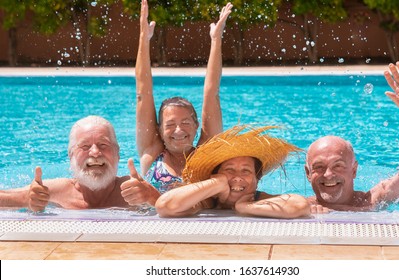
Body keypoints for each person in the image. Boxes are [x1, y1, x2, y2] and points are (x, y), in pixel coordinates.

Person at [305, 62, 399, 212]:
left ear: (354, 170)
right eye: (319, 167)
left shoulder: (375, 202)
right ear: (308, 173)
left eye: (338, 165)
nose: (328, 175)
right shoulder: (298, 206)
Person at [135, 0, 232, 194]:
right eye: (170, 125)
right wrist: (144, 38)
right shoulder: (151, 152)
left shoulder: (206, 153)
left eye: (186, 123)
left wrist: (216, 39)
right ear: (159, 130)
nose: (178, 130)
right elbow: (142, 93)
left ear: (197, 126)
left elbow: (211, 94)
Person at [0, 116, 160, 211]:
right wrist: (25, 199)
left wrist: (153, 197)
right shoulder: (56, 192)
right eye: (85, 146)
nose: (95, 152)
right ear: (71, 157)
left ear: (118, 154)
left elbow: (178, 206)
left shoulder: (134, 189)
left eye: (103, 145)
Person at [155, 125, 311, 219]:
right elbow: (164, 206)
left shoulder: (257, 198)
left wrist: (244, 208)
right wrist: (217, 183)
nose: (238, 177)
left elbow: (300, 205)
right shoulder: (205, 200)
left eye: (246, 171)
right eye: (229, 170)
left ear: (257, 180)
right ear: (214, 174)